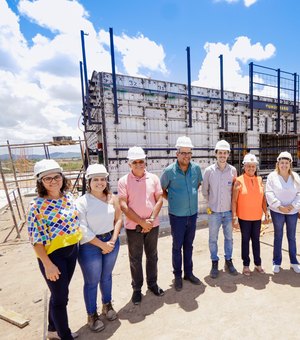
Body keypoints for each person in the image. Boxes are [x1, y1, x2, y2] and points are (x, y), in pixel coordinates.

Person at [27, 159, 82, 340]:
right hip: (52, 256)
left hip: (72, 251)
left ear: (62, 177)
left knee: (60, 292)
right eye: (47, 178)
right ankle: (65, 335)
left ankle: (52, 330)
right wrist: (48, 264)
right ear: (40, 182)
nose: (53, 181)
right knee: (61, 298)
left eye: (56, 177)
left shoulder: (68, 197)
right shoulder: (37, 206)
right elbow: (36, 240)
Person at [76, 164, 122, 332]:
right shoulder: (81, 202)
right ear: (88, 182)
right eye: (95, 179)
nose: (100, 183)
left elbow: (118, 219)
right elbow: (82, 228)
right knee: (91, 282)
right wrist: (102, 244)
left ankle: (107, 306)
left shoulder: (112, 198)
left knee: (107, 277)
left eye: (103, 179)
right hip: (90, 246)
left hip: (111, 240)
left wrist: (113, 239)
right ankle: (92, 315)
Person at [118, 146, 164, 305]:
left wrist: (150, 220)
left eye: (141, 161)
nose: (139, 164)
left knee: (152, 256)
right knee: (135, 259)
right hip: (134, 228)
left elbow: (159, 199)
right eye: (135, 162)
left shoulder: (154, 178)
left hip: (152, 225)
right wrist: (142, 222)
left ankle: (152, 284)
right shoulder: (123, 181)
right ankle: (137, 289)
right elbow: (123, 206)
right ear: (129, 164)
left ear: (145, 162)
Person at [160, 136, 202, 291]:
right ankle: (177, 275)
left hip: (192, 214)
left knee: (189, 245)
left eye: (189, 153)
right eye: (183, 153)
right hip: (176, 216)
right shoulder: (169, 172)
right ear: (176, 154)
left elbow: (197, 184)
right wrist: (173, 199)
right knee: (177, 246)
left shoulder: (196, 169)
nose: (186, 156)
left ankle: (188, 273)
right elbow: (162, 190)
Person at [202, 140, 238, 279]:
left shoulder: (233, 171)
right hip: (214, 212)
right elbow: (205, 191)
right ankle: (214, 262)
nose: (222, 155)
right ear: (216, 154)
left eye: (225, 153)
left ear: (228, 154)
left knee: (229, 238)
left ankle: (228, 260)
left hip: (228, 212)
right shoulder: (209, 171)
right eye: (220, 153)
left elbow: (234, 192)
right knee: (213, 238)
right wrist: (212, 203)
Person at [232, 154, 269, 276]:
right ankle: (246, 265)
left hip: (257, 217)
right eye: (248, 166)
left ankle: (258, 264)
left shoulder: (259, 180)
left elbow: (263, 198)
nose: (251, 168)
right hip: (244, 217)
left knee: (256, 241)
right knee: (245, 240)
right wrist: (234, 217)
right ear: (244, 167)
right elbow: (234, 201)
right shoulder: (239, 180)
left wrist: (266, 212)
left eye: (253, 166)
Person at [266, 151, 300, 274]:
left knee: (292, 237)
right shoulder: (272, 176)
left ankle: (294, 262)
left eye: (286, 163)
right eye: (282, 163)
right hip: (277, 211)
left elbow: (299, 194)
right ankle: (276, 262)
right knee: (278, 236)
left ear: (290, 164)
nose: (284, 165)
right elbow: (269, 193)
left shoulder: (295, 177)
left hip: (292, 211)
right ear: (278, 163)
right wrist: (279, 206)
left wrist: (293, 206)